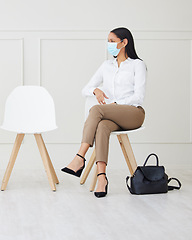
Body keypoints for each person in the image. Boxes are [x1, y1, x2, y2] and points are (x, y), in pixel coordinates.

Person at [61, 27, 146, 198]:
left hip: (133, 113)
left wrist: (116, 103)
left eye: (112, 41)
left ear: (124, 42)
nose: (109, 45)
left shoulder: (138, 65)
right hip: (111, 115)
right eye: (108, 41)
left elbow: (139, 97)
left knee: (97, 109)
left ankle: (80, 156)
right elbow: (85, 89)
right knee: (102, 126)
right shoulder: (106, 66)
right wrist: (96, 91)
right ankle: (102, 178)